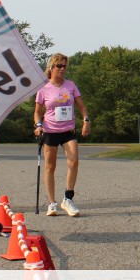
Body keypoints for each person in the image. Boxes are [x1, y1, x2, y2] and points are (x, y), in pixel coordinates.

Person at [33, 53, 90, 216]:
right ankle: (52, 203)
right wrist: (38, 125)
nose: (63, 69)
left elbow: (82, 107)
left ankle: (68, 199)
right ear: (51, 67)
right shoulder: (43, 88)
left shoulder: (70, 85)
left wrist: (86, 120)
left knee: (73, 162)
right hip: (50, 131)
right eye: (59, 66)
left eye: (65, 66)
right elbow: (37, 112)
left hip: (68, 131)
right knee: (50, 167)